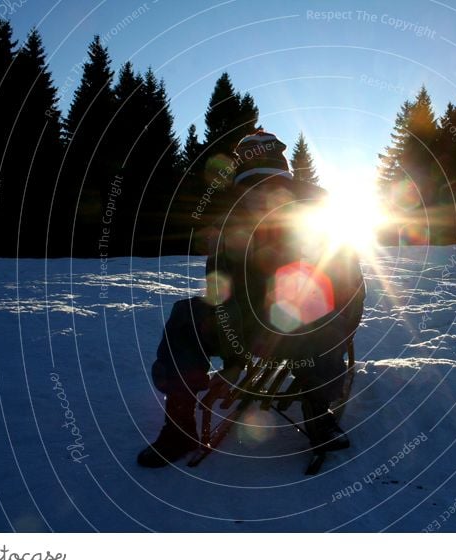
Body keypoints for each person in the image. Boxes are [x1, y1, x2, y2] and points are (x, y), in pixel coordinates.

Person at [138, 130, 365, 468]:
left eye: (272, 190)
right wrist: (234, 356)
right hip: (253, 327)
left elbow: (347, 289)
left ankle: (319, 411)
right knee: (186, 316)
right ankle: (180, 422)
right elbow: (220, 291)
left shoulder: (318, 219)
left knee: (322, 313)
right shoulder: (230, 225)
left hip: (302, 331)